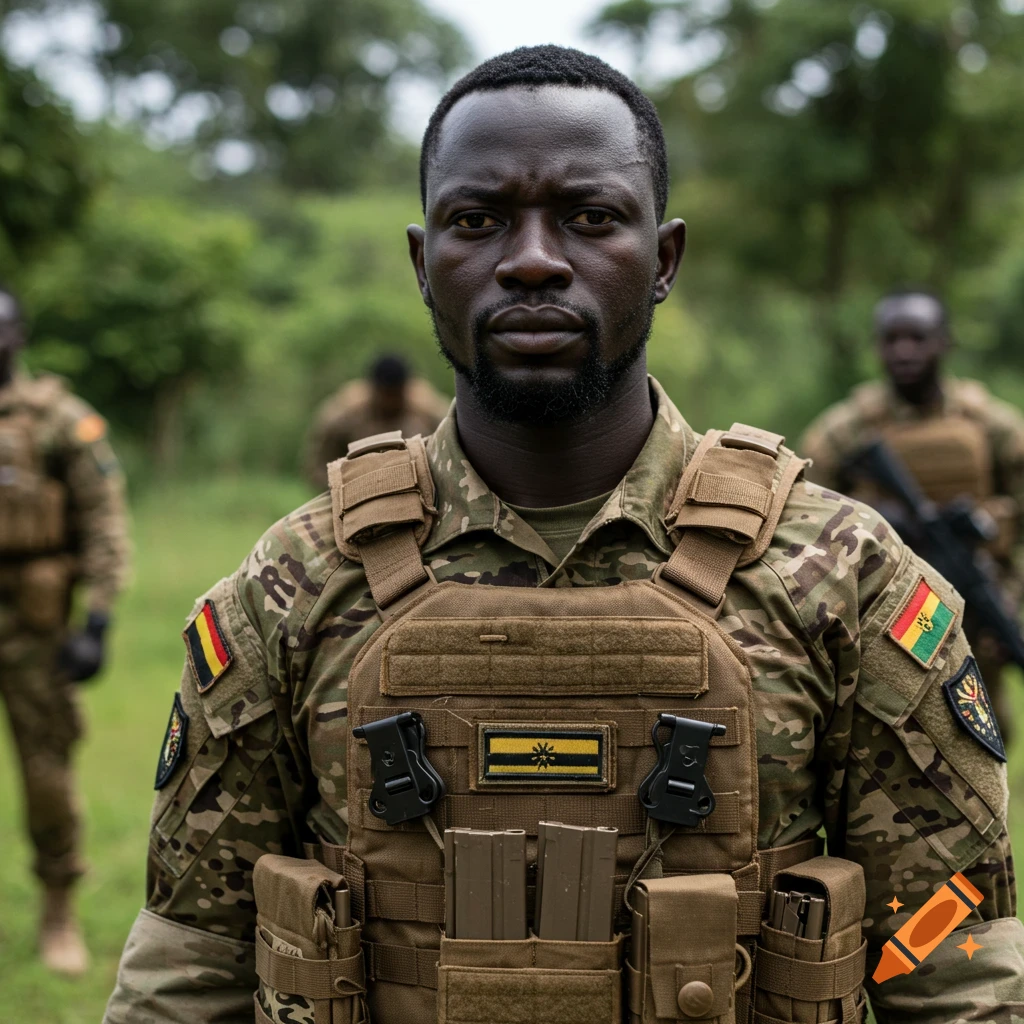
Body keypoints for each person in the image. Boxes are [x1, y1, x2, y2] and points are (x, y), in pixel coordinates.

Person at [105, 48, 1023, 1024]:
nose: (532, 257)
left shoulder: (836, 571)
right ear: (424, 264)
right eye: (477, 220)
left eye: (588, 218)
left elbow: (950, 947)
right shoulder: (296, 579)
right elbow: (192, 958)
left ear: (662, 257)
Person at [800, 290, 1024, 746]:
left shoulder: (992, 425)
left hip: (977, 599)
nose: (905, 351)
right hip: (880, 607)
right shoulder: (846, 431)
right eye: (892, 339)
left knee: (986, 732)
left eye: (918, 338)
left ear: (944, 342)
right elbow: (804, 515)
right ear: (878, 346)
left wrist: (1014, 596)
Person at [0, 285, 130, 974]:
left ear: (19, 335)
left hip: (33, 623)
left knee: (46, 770)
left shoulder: (59, 422)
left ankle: (58, 911)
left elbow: (104, 522)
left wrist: (98, 622)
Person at [303, 354, 449, 490]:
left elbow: (449, 452)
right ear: (372, 388)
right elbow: (319, 464)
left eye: (395, 394)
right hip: (355, 489)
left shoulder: (430, 412)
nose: (390, 401)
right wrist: (339, 490)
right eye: (385, 394)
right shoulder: (343, 414)